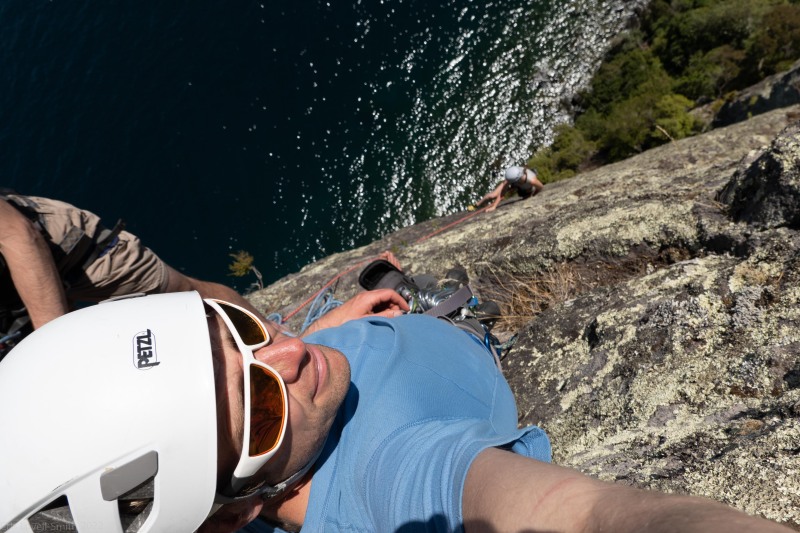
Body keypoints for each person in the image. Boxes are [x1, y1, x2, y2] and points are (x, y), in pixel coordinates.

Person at [0, 291, 792, 533]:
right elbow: (582, 515)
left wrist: (336, 322)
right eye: (262, 403)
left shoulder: (302, 376)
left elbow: (279, 363)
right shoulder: (390, 481)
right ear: (232, 514)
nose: (288, 355)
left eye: (236, 327)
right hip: (465, 342)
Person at [0, 192, 263, 346]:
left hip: (69, 247)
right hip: (10, 298)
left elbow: (19, 236)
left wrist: (50, 345)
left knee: (185, 293)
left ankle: (274, 339)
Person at [476, 165, 544, 212]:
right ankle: (477, 204)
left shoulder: (532, 180)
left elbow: (540, 187)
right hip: (517, 183)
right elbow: (502, 192)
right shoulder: (511, 176)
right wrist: (494, 206)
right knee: (492, 195)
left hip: (526, 188)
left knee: (526, 195)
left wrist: (533, 195)